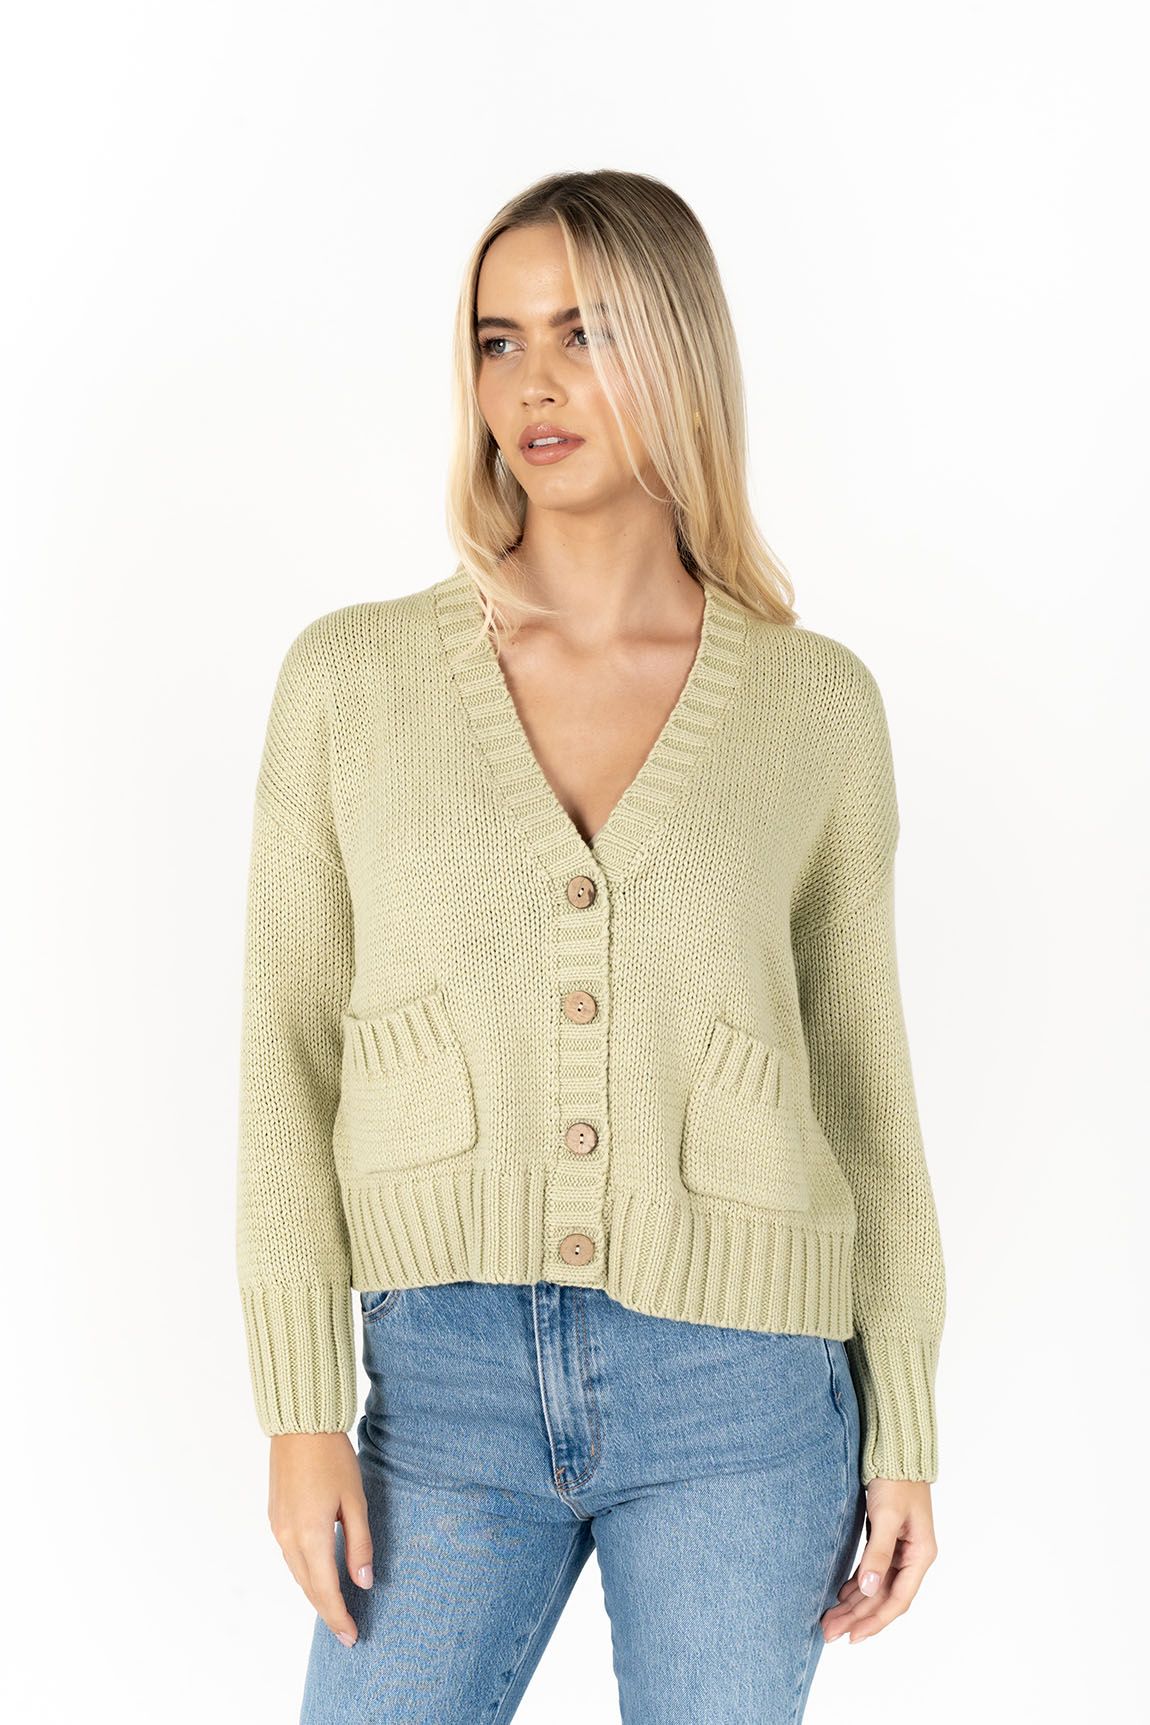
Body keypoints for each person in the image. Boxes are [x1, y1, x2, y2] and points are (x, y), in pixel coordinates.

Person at [235, 168, 947, 1724]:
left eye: (584, 333)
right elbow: (285, 1054)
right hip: (442, 1385)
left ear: (681, 356)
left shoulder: (814, 706)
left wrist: (902, 1428)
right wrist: (299, 1409)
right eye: (497, 340)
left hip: (740, 1392)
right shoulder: (350, 682)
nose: (531, 383)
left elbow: (862, 1091)